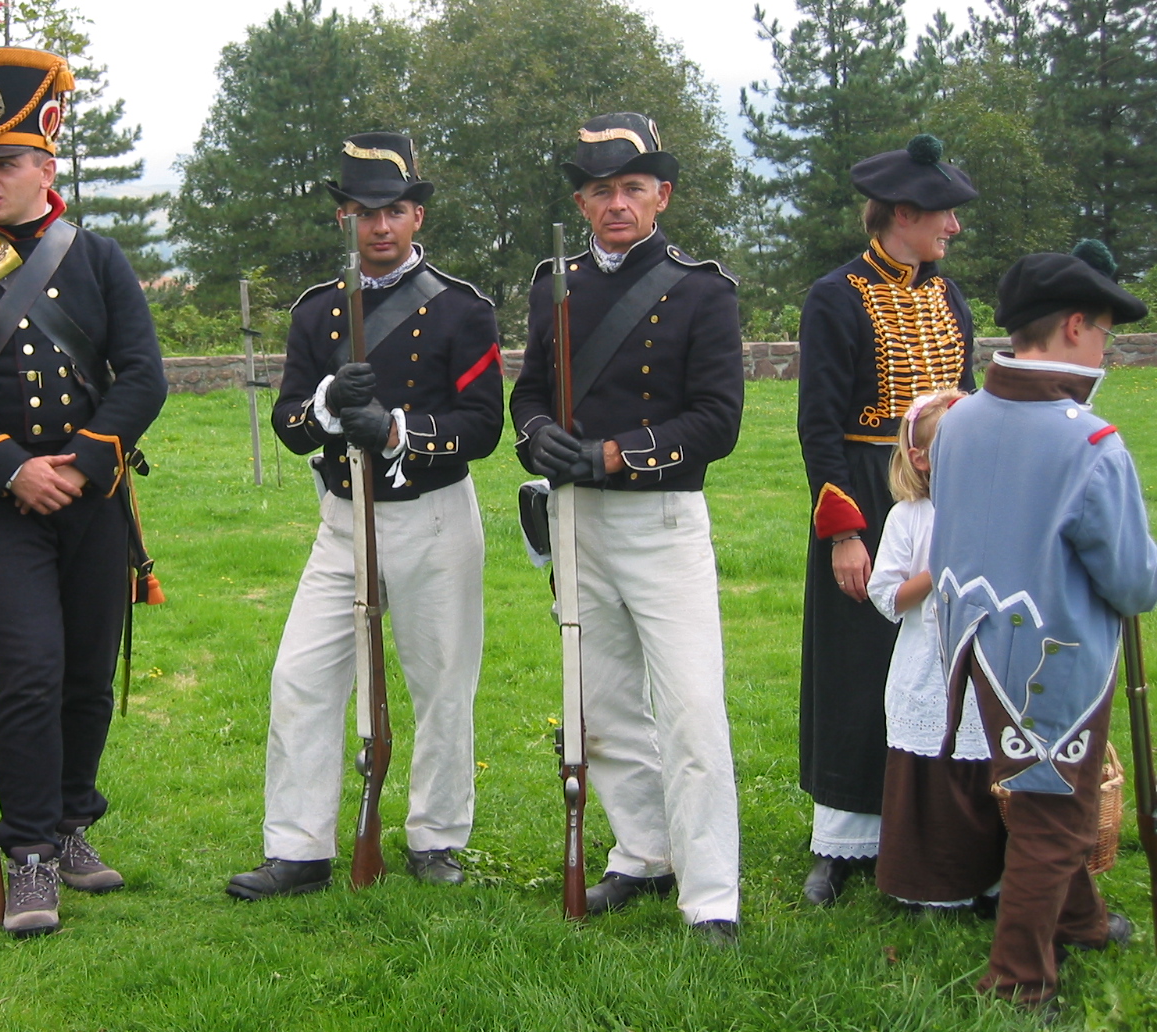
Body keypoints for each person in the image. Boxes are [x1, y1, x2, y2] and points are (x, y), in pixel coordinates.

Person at [0, 41, 167, 937]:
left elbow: (143, 376)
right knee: (30, 673)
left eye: (5, 163)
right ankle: (30, 853)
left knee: (88, 673)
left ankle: (73, 821)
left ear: (46, 167)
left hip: (94, 498)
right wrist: (13, 466)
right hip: (2, 501)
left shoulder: (99, 259)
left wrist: (82, 462)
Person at [225, 133, 503, 900]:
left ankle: (436, 837)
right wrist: (323, 406)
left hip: (433, 519)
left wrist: (397, 430)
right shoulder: (318, 312)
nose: (380, 226)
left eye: (395, 211)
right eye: (364, 212)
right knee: (301, 676)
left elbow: (483, 426)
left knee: (441, 684)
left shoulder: (461, 309)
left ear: (417, 216)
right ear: (343, 217)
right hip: (344, 519)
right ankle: (299, 847)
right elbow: (289, 423)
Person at [509, 112, 744, 941]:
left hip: (662, 520)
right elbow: (529, 393)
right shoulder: (554, 284)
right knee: (601, 705)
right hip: (577, 520)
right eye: (601, 190)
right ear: (581, 201)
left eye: (633, 188)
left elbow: (717, 421)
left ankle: (711, 894)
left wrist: (612, 454)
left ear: (662, 195)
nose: (617, 204)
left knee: (691, 710)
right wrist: (540, 436)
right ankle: (644, 852)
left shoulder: (703, 291)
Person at [931, 243, 1157, 1013]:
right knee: (1056, 817)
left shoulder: (958, 420)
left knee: (1040, 794)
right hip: (1054, 659)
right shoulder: (1089, 443)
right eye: (1103, 335)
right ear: (1073, 326)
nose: (1105, 353)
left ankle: (1081, 922)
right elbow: (1132, 581)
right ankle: (1018, 981)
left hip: (976, 647)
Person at [796, 134, 977, 905]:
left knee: (940, 658)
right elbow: (818, 423)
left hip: (945, 492)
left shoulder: (949, 298)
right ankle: (844, 838)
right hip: (866, 492)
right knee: (856, 661)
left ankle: (933, 821)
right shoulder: (836, 295)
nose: (954, 228)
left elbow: (969, 400)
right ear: (903, 213)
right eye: (944, 215)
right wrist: (845, 532)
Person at [866, 389, 1004, 913]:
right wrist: (938, 568)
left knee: (986, 760)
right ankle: (932, 883)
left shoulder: (995, 511)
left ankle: (993, 879)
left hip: (989, 661)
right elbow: (887, 596)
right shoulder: (910, 518)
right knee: (936, 768)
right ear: (921, 458)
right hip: (928, 665)